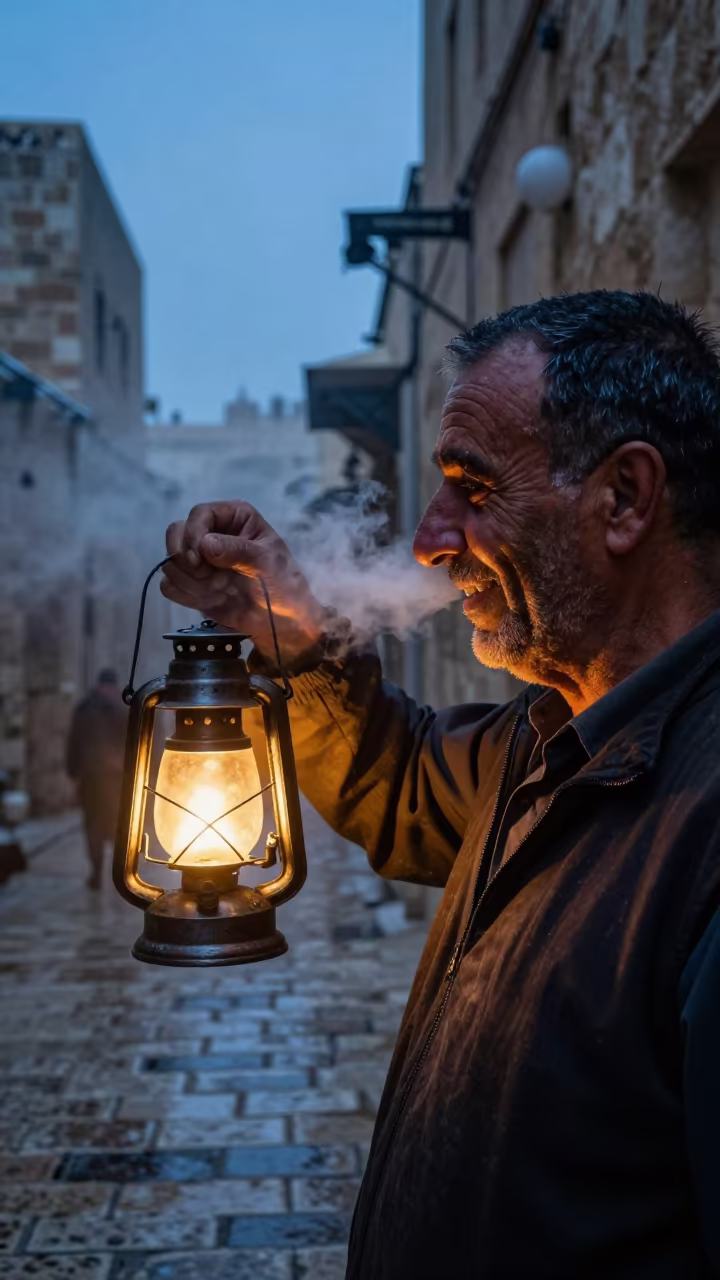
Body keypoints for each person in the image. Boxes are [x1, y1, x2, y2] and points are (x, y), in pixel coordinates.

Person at [160, 291, 720, 1279]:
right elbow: (399, 778)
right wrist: (294, 635)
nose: (429, 538)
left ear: (625, 499)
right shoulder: (548, 736)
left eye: (474, 486)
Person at [66, 668, 128, 889]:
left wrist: (73, 770)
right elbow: (74, 742)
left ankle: (108, 871)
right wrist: (74, 770)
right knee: (101, 826)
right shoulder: (119, 710)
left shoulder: (88, 709)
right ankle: (101, 871)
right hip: (102, 778)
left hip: (108, 778)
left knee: (106, 826)